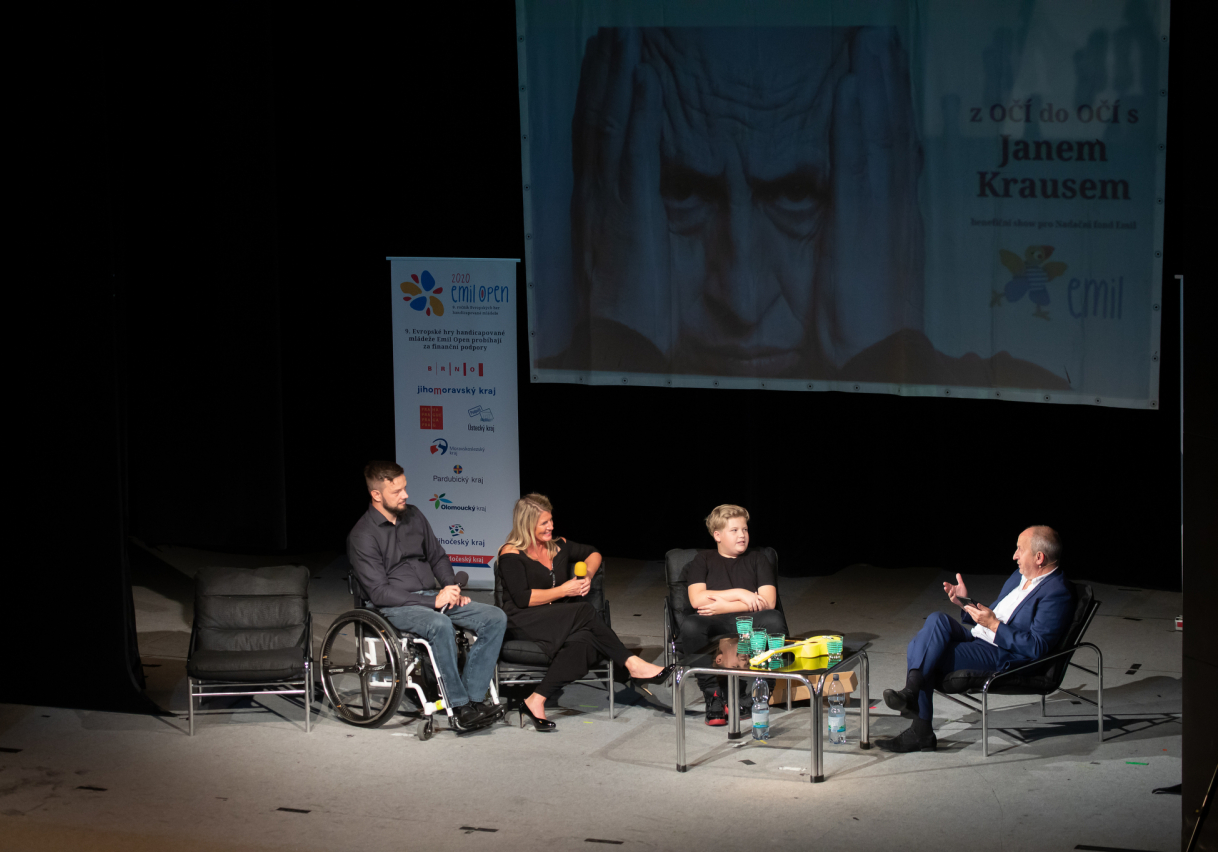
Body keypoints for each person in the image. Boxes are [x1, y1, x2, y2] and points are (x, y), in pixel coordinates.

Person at [542, 26, 1066, 390]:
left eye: (795, 195)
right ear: (604, 203)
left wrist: (886, 356)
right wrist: (619, 346)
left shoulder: (1029, 390)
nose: (741, 300)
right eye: (684, 192)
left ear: (892, 194)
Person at [877, 525, 1074, 753]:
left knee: (923, 650)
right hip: (980, 637)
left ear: (1039, 558)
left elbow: (1037, 647)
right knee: (937, 619)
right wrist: (965, 602)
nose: (1014, 556)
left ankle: (919, 726)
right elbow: (997, 614)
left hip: (1002, 653)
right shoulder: (1019, 576)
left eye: (1020, 549)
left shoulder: (1056, 592)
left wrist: (994, 625)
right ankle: (913, 699)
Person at [347, 461, 507, 733]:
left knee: (495, 617)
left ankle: (474, 698)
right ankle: (459, 707)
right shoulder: (362, 535)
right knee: (439, 623)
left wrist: (450, 588)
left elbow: (437, 556)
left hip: (431, 596)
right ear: (376, 495)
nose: (405, 495)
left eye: (404, 488)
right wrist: (432, 602)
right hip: (394, 606)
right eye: (397, 491)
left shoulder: (414, 515)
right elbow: (380, 592)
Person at [496, 494, 670, 731]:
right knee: (585, 610)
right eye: (544, 523)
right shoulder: (511, 553)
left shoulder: (559, 545)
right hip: (522, 620)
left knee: (586, 643)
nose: (551, 526)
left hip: (556, 618)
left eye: (551, 520)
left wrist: (587, 574)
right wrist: (563, 590)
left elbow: (594, 553)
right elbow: (522, 598)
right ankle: (631, 663)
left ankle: (535, 700)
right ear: (526, 524)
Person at [676, 505, 789, 725]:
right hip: (712, 620)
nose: (742, 535)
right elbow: (697, 600)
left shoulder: (758, 559)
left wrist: (724, 606)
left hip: (748, 619)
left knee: (774, 619)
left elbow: (768, 602)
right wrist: (742, 594)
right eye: (734, 530)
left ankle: (760, 691)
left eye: (745, 529)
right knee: (691, 625)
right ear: (717, 535)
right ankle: (713, 695)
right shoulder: (702, 560)